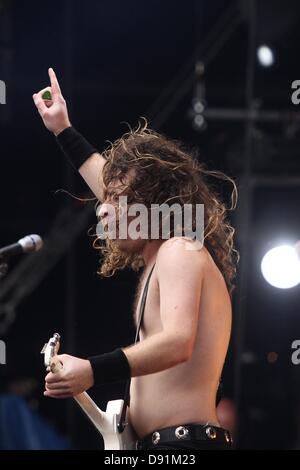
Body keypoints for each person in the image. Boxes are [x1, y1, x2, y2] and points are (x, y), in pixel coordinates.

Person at [32, 68, 237, 450]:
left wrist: (93, 371)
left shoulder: (180, 249)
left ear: (151, 205)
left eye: (115, 200)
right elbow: (111, 189)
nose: (102, 210)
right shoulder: (166, 249)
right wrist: (63, 129)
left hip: (183, 448)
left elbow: (178, 343)